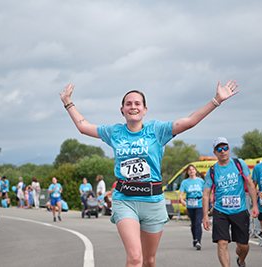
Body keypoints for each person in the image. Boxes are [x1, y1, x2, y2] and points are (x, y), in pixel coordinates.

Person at [60, 79, 239, 267]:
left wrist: (216, 100)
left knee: (149, 260)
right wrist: (68, 102)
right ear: (122, 110)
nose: (133, 107)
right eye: (128, 104)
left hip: (153, 201)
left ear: (145, 110)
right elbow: (84, 126)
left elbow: (189, 121)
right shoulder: (114, 132)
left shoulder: (157, 130)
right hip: (125, 200)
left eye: (138, 104)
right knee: (135, 257)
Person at [202, 137, 259, 267]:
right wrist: (205, 215)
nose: (223, 151)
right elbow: (206, 194)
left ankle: (241, 261)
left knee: (243, 246)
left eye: (225, 148)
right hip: (220, 211)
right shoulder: (212, 171)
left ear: (229, 149)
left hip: (239, 210)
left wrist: (255, 205)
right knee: (222, 243)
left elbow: (250, 185)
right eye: (219, 149)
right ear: (215, 152)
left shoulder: (239, 164)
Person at [179, 164, 204, 250]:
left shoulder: (201, 181)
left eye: (193, 169)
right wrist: (182, 200)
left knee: (198, 222)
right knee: (193, 223)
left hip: (199, 203)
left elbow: (205, 192)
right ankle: (194, 239)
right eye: (190, 170)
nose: (191, 171)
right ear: (188, 172)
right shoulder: (185, 182)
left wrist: (207, 201)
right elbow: (181, 193)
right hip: (190, 203)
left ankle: (198, 242)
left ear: (196, 171)